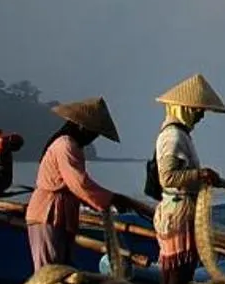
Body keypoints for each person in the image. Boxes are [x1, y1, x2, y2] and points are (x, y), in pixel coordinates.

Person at [24, 97, 146, 272]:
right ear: (82, 127)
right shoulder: (65, 145)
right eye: (94, 133)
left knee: (62, 269)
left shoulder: (73, 146)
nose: (93, 138)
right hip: (48, 213)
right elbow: (79, 183)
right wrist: (112, 199)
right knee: (48, 271)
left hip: (62, 214)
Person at [150, 73, 225, 284]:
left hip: (179, 209)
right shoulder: (172, 136)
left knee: (177, 271)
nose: (201, 116)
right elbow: (167, 177)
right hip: (177, 211)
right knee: (176, 272)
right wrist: (200, 174)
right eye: (198, 110)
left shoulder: (181, 135)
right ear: (184, 108)